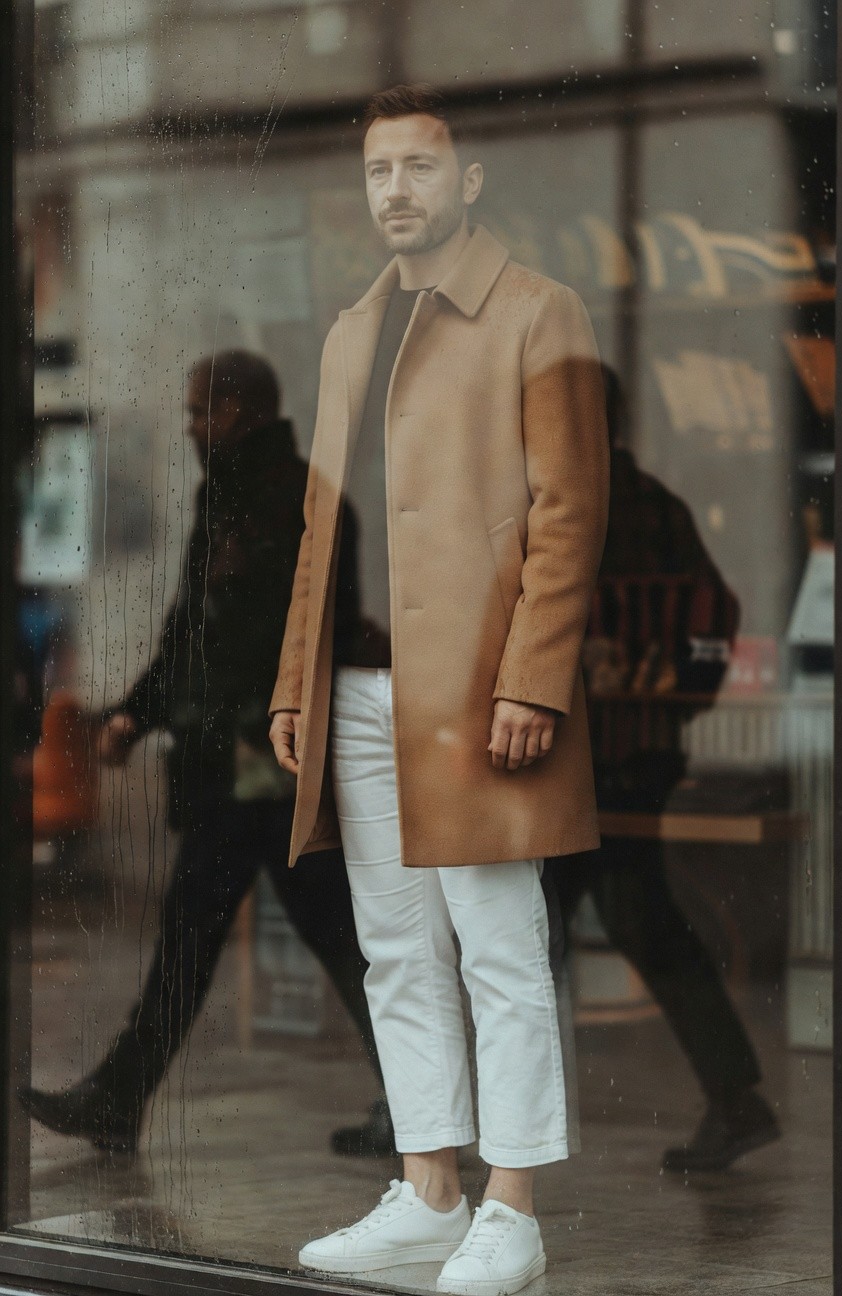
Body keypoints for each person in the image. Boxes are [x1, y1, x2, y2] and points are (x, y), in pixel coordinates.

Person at [268, 85, 608, 1296]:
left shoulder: (536, 312)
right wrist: (294, 677)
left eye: (419, 166)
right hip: (356, 691)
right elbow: (326, 525)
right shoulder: (353, 330)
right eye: (378, 172)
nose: (395, 189)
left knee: (498, 948)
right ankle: (428, 1192)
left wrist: (535, 680)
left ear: (470, 182)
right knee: (397, 952)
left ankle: (511, 1210)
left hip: (474, 694)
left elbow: (571, 514)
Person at [20, 350, 389, 1157]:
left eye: (200, 412)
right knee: (304, 938)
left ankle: (119, 1097)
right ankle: (415, 1100)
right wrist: (136, 713)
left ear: (243, 412)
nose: (190, 427)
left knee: (225, 936)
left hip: (261, 765)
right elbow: (191, 632)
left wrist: (152, 715)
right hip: (239, 764)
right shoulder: (229, 499)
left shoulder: (297, 503)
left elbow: (250, 646)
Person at [546, 365, 780, 1174]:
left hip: (592, 758)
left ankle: (447, 1112)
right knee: (627, 920)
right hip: (623, 752)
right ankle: (736, 1097)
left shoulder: (584, 508)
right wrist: (676, 701)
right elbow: (716, 617)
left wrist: (662, 693)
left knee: (523, 929)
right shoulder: (647, 503)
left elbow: (710, 620)